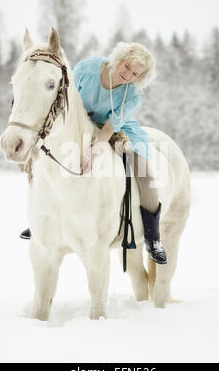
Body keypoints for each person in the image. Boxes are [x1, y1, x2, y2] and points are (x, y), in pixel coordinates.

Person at [20, 42, 167, 265]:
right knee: (48, 156)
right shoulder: (88, 68)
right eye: (127, 67)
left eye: (135, 73)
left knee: (143, 170)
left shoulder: (133, 96)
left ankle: (153, 237)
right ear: (119, 59)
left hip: (116, 128)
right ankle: (41, 221)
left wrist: (95, 148)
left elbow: (110, 127)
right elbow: (66, 96)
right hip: (79, 122)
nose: (127, 75)